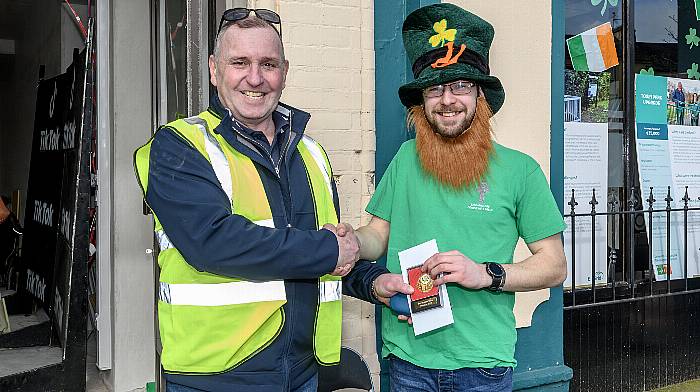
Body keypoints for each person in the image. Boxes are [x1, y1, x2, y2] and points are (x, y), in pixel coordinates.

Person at [133, 8, 390, 391]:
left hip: (302, 371)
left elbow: (315, 251)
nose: (255, 78)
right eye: (240, 63)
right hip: (216, 378)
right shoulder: (179, 147)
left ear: (284, 72)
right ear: (214, 70)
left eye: (268, 64)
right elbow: (214, 243)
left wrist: (373, 282)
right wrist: (330, 249)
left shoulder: (311, 154)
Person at [339, 4, 567, 391]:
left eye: (461, 85)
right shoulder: (406, 160)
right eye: (435, 88)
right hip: (408, 360)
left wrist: (486, 274)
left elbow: (554, 265)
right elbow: (378, 234)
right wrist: (352, 241)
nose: (448, 99)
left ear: (481, 96)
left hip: (484, 366)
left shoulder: (520, 170)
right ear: (422, 100)